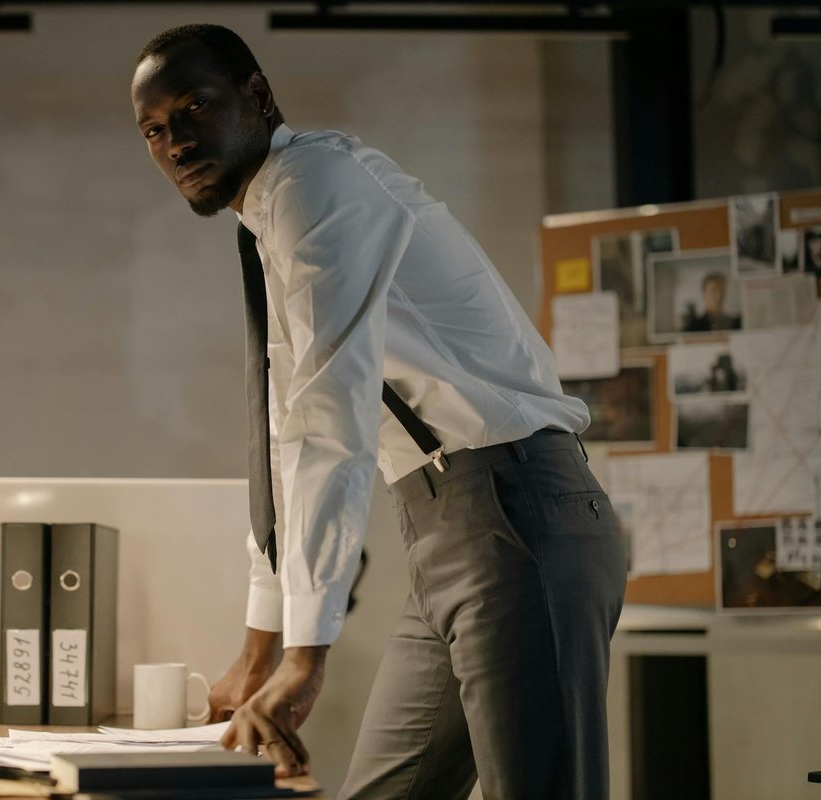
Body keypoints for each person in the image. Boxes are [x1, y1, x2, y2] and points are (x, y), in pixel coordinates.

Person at [131, 25, 627, 800]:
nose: (177, 141)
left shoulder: (313, 186)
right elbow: (284, 439)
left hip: (518, 512)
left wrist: (307, 653)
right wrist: (262, 650)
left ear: (258, 97)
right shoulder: (268, 216)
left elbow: (332, 422)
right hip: (446, 532)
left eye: (196, 108)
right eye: (156, 130)